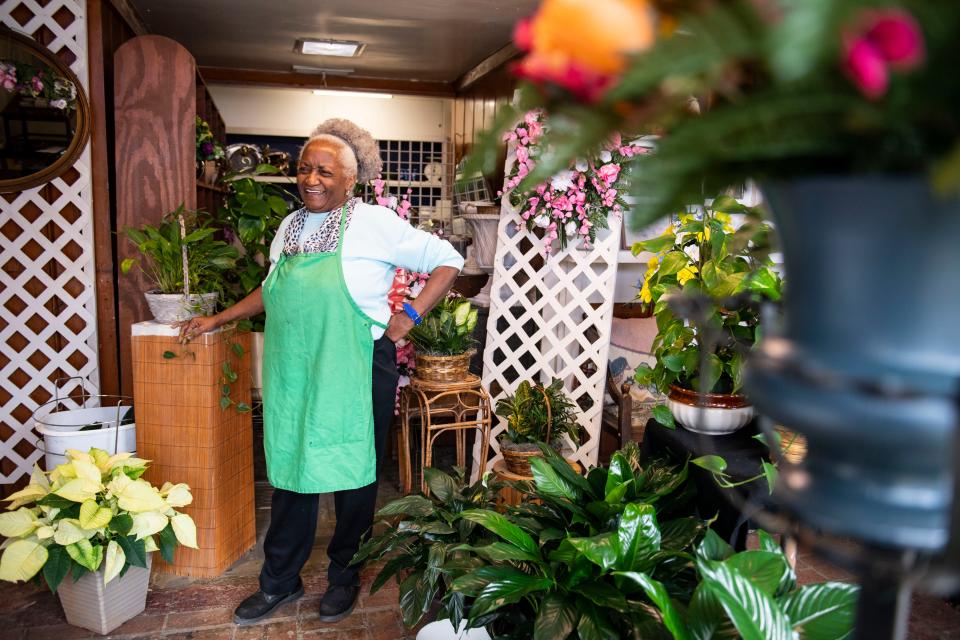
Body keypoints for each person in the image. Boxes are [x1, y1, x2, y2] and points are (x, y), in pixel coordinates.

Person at [178, 118, 463, 625]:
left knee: (354, 477)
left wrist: (409, 316)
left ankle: (343, 577)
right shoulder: (289, 227)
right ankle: (279, 583)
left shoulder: (375, 222)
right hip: (295, 368)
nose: (312, 178)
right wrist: (217, 318)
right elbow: (271, 290)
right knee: (290, 472)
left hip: (356, 366)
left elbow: (446, 259)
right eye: (305, 168)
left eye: (325, 171)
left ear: (350, 180)